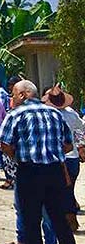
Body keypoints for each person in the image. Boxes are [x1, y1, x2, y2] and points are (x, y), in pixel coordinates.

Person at [0, 80, 82, 244]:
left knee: (31, 222)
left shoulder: (15, 114)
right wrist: (53, 153)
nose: (12, 98)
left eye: (15, 94)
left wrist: (17, 155)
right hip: (54, 172)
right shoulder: (54, 113)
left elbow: (4, 143)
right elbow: (69, 145)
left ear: (24, 95)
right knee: (59, 220)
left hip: (30, 171)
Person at [41, 85, 85, 232]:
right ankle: (71, 222)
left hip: (57, 159)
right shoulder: (71, 114)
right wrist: (80, 146)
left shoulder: (49, 116)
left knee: (56, 194)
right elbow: (81, 129)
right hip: (72, 159)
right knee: (68, 191)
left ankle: (65, 224)